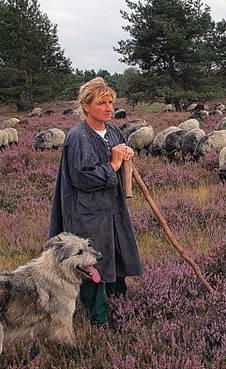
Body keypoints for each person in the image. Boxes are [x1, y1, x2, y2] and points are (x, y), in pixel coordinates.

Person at [48, 77, 142, 326]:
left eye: (111, 102)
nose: (109, 107)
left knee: (116, 255)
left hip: (111, 209)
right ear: (86, 106)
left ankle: (120, 309)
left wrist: (125, 153)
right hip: (87, 213)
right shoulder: (78, 137)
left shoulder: (112, 130)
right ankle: (98, 319)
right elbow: (82, 177)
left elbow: (119, 151)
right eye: (102, 103)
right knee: (91, 261)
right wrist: (113, 164)